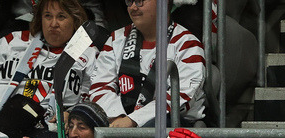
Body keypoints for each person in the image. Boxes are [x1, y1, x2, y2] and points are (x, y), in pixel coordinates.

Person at [0, 0, 94, 138]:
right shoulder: (12, 41)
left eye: (61, 17)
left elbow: (93, 95)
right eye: (48, 16)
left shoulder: (88, 53)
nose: (53, 24)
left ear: (75, 20)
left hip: (48, 130)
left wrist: (73, 114)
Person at [88, 0, 205, 128]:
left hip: (172, 129)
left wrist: (133, 121)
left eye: (139, 1)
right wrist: (120, 120)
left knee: (161, 124)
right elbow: (100, 87)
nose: (133, 7)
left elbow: (180, 98)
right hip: (117, 124)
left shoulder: (188, 45)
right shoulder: (116, 38)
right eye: (129, 1)